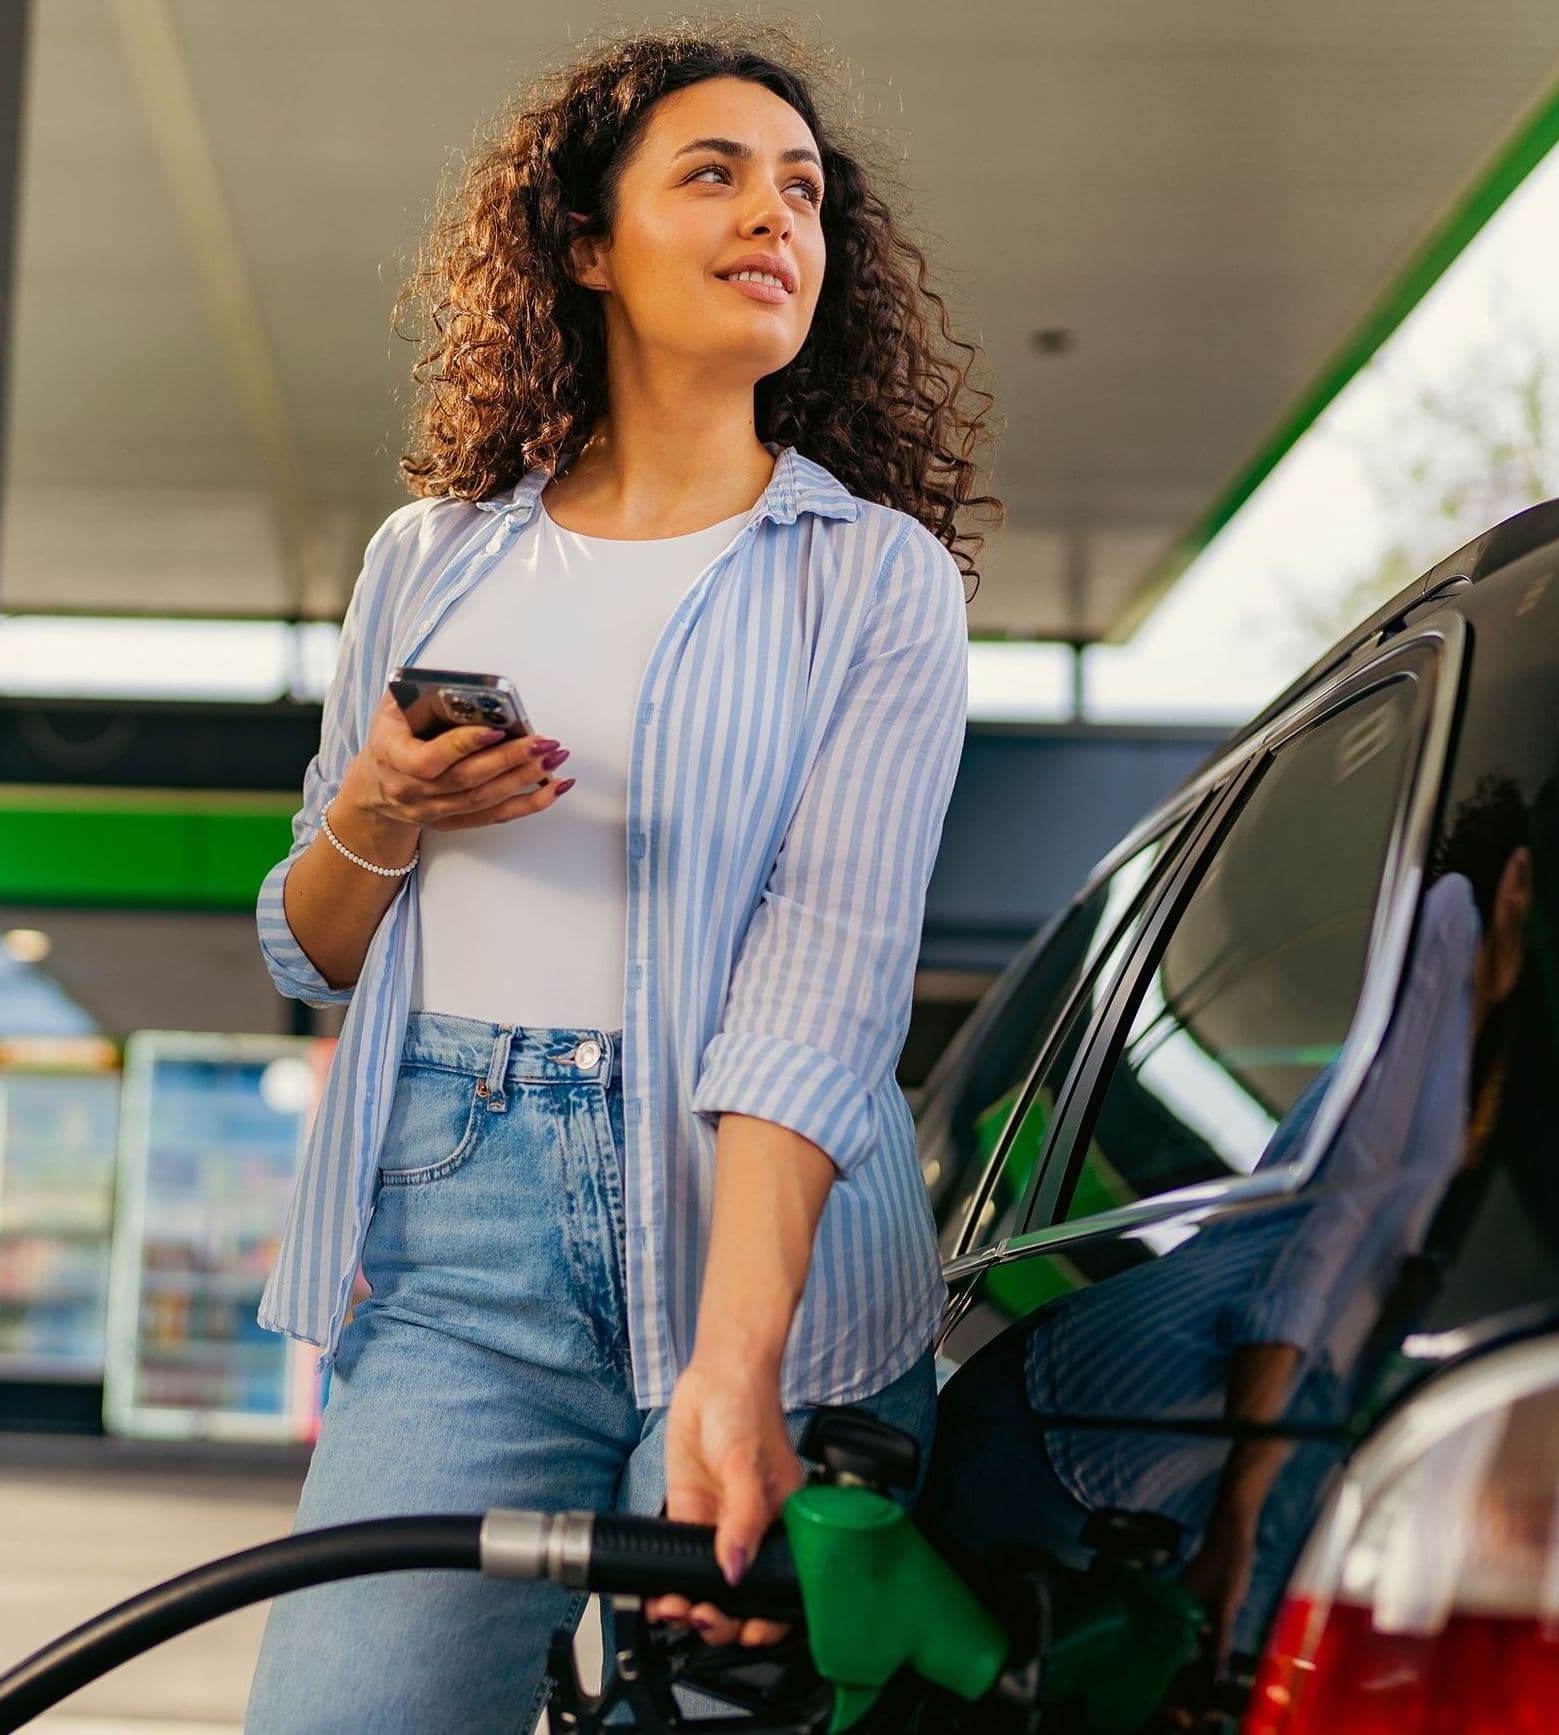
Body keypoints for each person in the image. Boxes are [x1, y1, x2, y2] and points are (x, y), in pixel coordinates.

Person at [243, 23, 1000, 1732]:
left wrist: (735, 1372)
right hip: (466, 1262)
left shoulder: (874, 585)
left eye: (803, 190)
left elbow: (825, 985)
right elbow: (308, 952)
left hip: (768, 1265)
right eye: (715, 175)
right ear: (586, 244)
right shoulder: (429, 561)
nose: (773, 217)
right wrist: (380, 798)